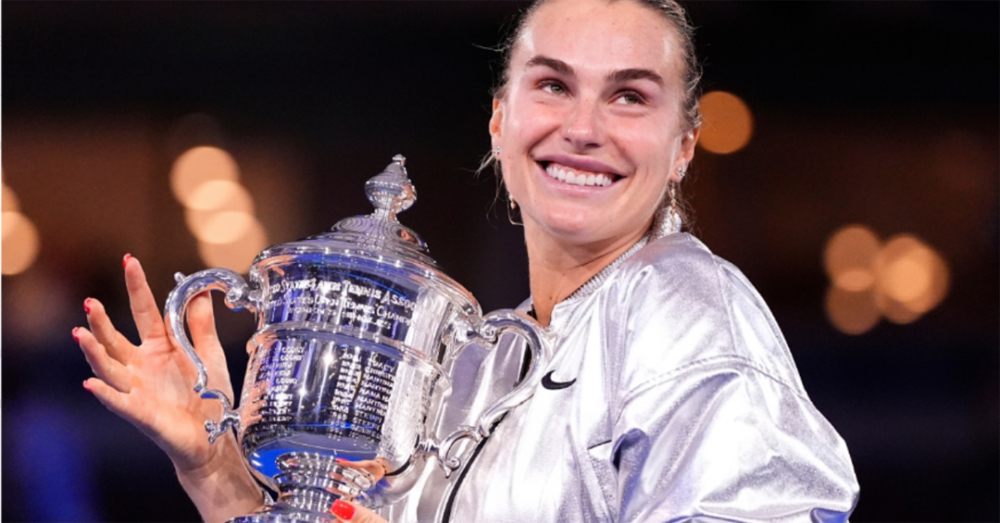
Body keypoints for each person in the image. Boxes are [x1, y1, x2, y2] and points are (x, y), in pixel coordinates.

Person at [75, 0, 860, 522]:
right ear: (498, 122)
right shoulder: (473, 362)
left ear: (683, 146)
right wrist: (218, 471)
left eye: (630, 96)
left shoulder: (686, 307)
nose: (583, 127)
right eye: (553, 85)